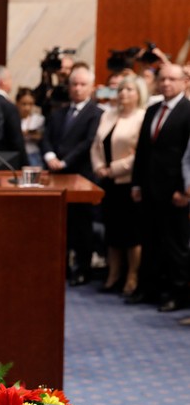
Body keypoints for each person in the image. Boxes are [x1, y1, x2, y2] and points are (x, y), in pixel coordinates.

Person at [127, 64, 190, 312]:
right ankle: (148, 289)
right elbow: (143, 152)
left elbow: (187, 156)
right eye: (162, 79)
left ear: (184, 82)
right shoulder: (153, 109)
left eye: (172, 79)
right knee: (149, 240)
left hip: (175, 191)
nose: (166, 84)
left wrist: (184, 190)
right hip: (149, 187)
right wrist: (136, 183)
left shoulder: (187, 111)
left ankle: (178, 294)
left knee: (175, 245)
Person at [41, 66, 102, 286]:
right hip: (55, 175)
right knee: (60, 223)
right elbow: (46, 138)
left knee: (82, 224)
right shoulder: (58, 113)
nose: (77, 88)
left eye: (82, 84)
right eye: (74, 84)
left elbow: (88, 142)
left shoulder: (96, 114)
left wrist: (65, 161)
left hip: (81, 176)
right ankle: (62, 266)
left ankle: (82, 268)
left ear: (91, 87)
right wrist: (50, 156)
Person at [90, 75, 147, 297]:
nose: (123, 93)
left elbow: (141, 154)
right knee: (112, 231)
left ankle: (132, 276)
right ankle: (113, 274)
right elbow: (96, 146)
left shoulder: (142, 117)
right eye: (121, 89)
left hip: (129, 182)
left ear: (139, 94)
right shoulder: (108, 115)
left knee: (131, 233)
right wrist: (99, 167)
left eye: (129, 89)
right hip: (107, 183)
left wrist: (114, 168)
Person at [0, 64, 27, 167]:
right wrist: (25, 164)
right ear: (3, 82)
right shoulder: (8, 106)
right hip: (7, 161)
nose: (11, 82)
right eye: (10, 78)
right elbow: (16, 140)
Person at [16, 87, 45, 167]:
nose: (27, 108)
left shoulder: (39, 119)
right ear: (17, 103)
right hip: (17, 155)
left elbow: (42, 137)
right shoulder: (13, 119)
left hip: (33, 155)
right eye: (24, 104)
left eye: (30, 104)